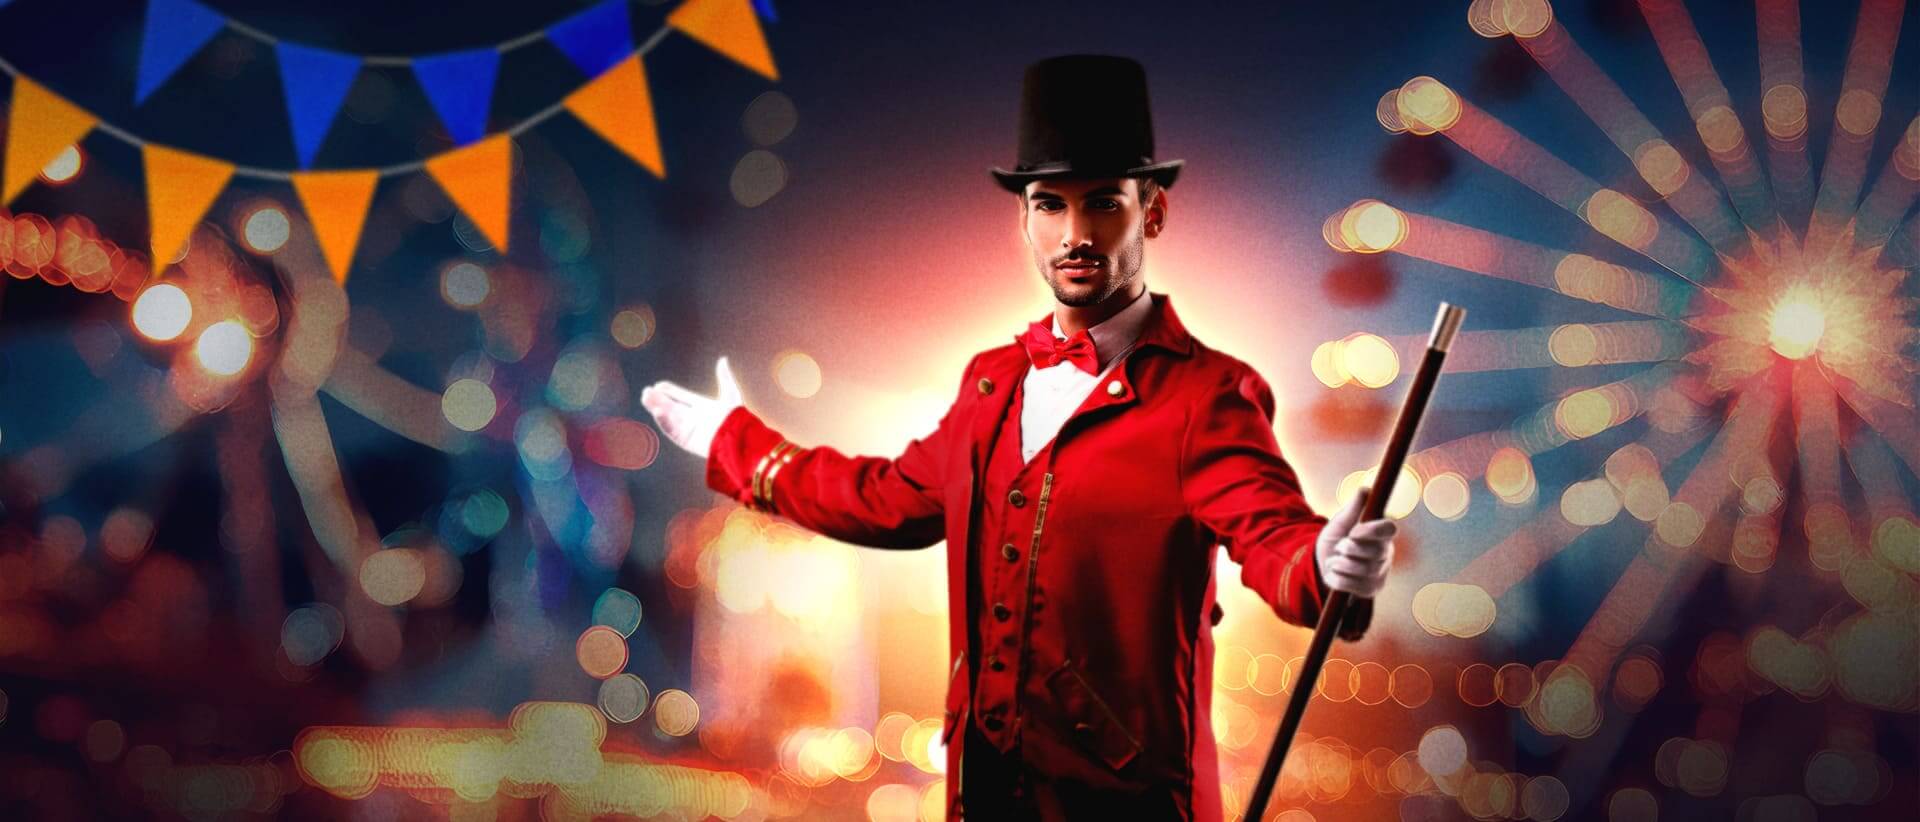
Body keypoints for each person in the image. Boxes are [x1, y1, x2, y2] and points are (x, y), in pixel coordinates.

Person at [641, 54, 1396, 822]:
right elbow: (883, 500)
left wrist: (1325, 565)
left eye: (1103, 203)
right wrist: (732, 441)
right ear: (1025, 220)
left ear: (1153, 212)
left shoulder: (1207, 395)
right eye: (1049, 205)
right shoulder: (989, 384)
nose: (1075, 234)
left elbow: (1274, 538)